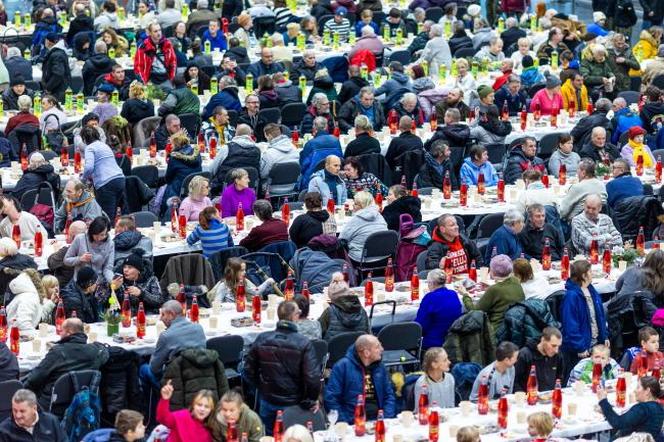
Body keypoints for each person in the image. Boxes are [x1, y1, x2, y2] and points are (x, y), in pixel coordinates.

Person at [245, 301, 321, 430]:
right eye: (298, 313)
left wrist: (261, 388)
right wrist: (310, 400)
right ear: (295, 316)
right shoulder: (303, 343)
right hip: (293, 403)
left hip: (268, 399)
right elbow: (312, 377)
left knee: (269, 436)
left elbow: (248, 370)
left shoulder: (262, 338)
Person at [23, 318, 109, 410]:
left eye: (61, 331)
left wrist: (21, 389)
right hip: (83, 402)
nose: (60, 334)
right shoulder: (96, 351)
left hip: (53, 404)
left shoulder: (57, 352)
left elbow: (34, 379)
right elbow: (105, 353)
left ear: (69, 332)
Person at [325, 334, 396, 423]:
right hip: (352, 421)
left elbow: (389, 395)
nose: (382, 349)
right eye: (378, 347)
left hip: (380, 419)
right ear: (366, 353)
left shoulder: (380, 367)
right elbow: (331, 399)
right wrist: (344, 422)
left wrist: (386, 419)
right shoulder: (342, 367)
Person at [141, 300, 206, 389]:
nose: (160, 318)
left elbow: (154, 369)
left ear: (171, 314)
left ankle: (154, 401)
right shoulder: (199, 328)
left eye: (163, 314)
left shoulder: (166, 336)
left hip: (175, 383)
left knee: (143, 369)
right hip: (200, 377)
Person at [561, 259, 609, 376]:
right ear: (584, 275)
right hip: (581, 349)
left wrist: (604, 336)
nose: (592, 274)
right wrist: (580, 347)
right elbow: (571, 325)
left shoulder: (591, 290)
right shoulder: (571, 296)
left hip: (595, 343)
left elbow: (600, 317)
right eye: (590, 272)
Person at [461, 254, 525, 336]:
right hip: (515, 327)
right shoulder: (515, 281)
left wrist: (465, 295)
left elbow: (475, 311)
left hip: (495, 332)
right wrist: (489, 287)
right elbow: (504, 291)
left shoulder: (494, 290)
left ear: (493, 271)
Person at [80, 126, 125, 222]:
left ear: (84, 139)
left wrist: (83, 179)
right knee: (112, 213)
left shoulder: (90, 148)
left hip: (106, 183)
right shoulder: (104, 145)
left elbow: (89, 167)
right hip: (120, 179)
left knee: (105, 216)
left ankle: (108, 234)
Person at [597, 376, 664, 439]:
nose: (635, 391)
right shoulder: (659, 408)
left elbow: (617, 423)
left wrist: (603, 401)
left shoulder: (643, 409)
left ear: (647, 391)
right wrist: (605, 410)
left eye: (638, 387)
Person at [415, 270, 463, 350]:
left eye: (428, 283)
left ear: (432, 283)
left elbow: (421, 326)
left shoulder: (430, 298)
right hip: (453, 339)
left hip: (434, 342)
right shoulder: (453, 294)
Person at [318, 272, 370, 340]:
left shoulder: (329, 312)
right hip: (357, 348)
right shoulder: (362, 310)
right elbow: (368, 334)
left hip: (334, 350)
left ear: (331, 297)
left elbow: (318, 334)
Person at [0, 389, 67, 441]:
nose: (18, 415)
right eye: (14, 410)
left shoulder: (51, 421)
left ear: (34, 408)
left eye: (22, 411)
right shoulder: (4, 430)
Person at [339, 191, 387, 263]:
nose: (353, 206)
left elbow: (342, 238)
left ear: (361, 206)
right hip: (383, 257)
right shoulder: (379, 216)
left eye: (355, 204)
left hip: (361, 259)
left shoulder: (356, 220)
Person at [162, 130, 203, 214]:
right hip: (196, 187)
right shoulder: (197, 153)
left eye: (172, 144)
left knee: (164, 188)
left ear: (176, 144)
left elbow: (168, 177)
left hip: (180, 189)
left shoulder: (174, 157)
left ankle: (164, 214)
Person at [64, 216, 115, 283]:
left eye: (102, 235)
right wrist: (80, 259)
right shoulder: (80, 239)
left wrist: (112, 281)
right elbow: (66, 260)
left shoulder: (110, 244)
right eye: (96, 235)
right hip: (81, 282)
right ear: (92, 231)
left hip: (98, 283)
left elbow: (108, 268)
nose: (99, 238)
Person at [513, 326, 564, 392]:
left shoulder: (558, 355)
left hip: (550, 397)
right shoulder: (525, 354)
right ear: (543, 340)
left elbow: (560, 377)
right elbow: (515, 381)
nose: (556, 350)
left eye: (558, 346)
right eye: (553, 346)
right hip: (528, 398)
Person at [134, 22, 176, 86]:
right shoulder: (143, 47)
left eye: (159, 30)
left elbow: (173, 62)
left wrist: (171, 78)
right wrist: (144, 83)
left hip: (166, 78)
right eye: (155, 31)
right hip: (151, 79)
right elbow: (138, 67)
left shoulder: (167, 44)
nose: (159, 33)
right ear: (150, 33)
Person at [5, 269, 43, 336]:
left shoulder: (21, 295)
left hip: (14, 334)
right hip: (22, 338)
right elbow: (23, 323)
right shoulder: (29, 297)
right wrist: (36, 336)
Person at [41, 33, 71, 102]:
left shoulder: (57, 55)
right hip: (58, 90)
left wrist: (48, 88)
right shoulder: (57, 52)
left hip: (57, 92)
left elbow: (58, 74)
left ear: (48, 41)